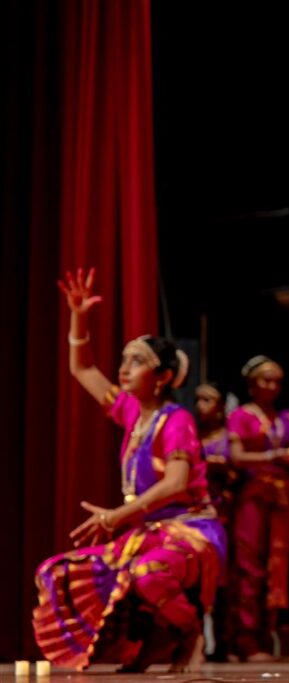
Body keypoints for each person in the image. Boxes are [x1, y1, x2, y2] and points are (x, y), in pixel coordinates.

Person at [34, 268, 226, 672]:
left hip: (192, 531)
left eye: (137, 362)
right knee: (62, 573)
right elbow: (83, 370)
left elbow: (175, 483)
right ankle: (151, 642)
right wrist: (79, 317)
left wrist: (117, 515)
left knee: (147, 573)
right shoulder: (131, 412)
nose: (124, 369)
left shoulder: (177, 421)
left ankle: (189, 631)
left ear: (164, 377)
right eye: (123, 360)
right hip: (147, 533)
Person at [227, 356, 289, 662]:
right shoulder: (241, 416)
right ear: (251, 385)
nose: (272, 386)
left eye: (277, 381)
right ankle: (243, 639)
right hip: (253, 494)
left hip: (282, 496)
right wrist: (276, 455)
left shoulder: (288, 418)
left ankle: (267, 635)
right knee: (249, 564)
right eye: (265, 380)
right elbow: (236, 457)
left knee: (277, 566)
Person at [195, 382, 236, 661]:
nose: (201, 406)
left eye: (208, 400)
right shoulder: (191, 435)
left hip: (224, 514)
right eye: (198, 400)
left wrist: (222, 468)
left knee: (223, 580)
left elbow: (239, 470)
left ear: (220, 406)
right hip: (197, 513)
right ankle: (194, 641)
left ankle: (224, 644)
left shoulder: (229, 437)